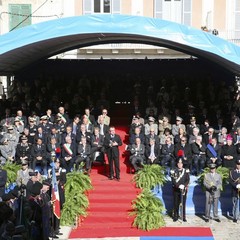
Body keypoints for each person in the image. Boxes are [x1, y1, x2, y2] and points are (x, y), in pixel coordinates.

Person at [170, 157, 190, 222]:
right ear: (177, 164)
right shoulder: (173, 171)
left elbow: (188, 179)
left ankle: (183, 216)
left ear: (182, 164)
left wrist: (184, 185)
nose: (180, 164)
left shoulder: (186, 170)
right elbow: (173, 180)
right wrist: (178, 186)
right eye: (179, 163)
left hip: (183, 190)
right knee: (176, 203)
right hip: (176, 190)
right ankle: (176, 216)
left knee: (183, 203)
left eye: (181, 163)